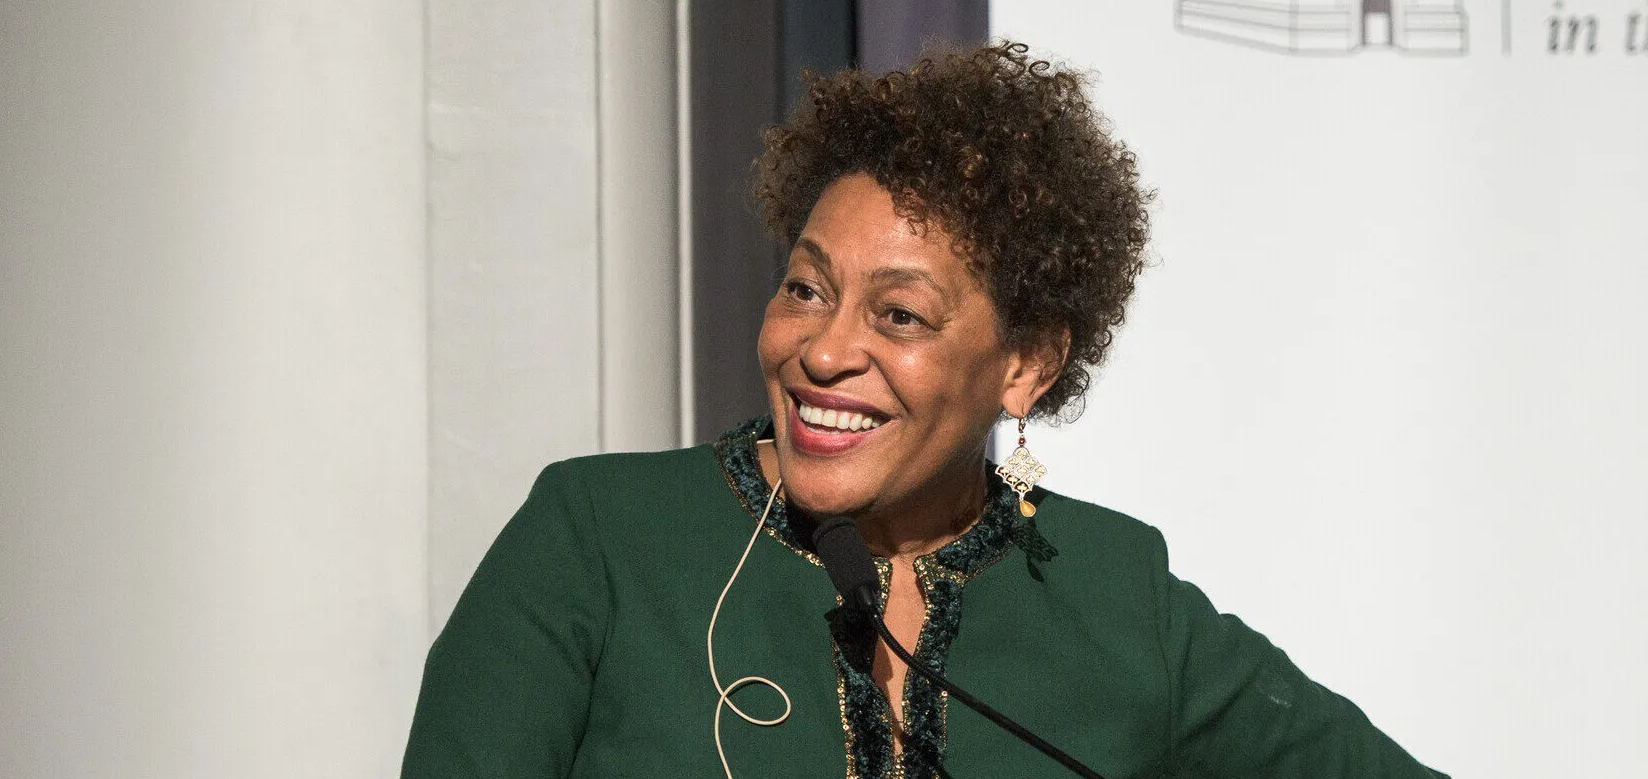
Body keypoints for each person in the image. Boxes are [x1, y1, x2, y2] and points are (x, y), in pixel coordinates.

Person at [401, 43, 1444, 778]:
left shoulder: (1121, 600)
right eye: (806, 288)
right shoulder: (601, 539)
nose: (822, 349)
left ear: (1025, 366)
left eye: (897, 314)